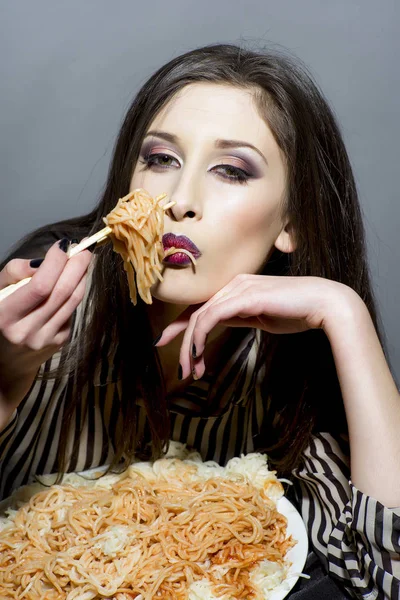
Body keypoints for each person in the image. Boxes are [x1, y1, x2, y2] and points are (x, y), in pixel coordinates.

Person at [0, 43, 399, 599]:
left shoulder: (287, 367)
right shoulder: (38, 316)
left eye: (231, 170)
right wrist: (5, 382)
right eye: (160, 159)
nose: (178, 200)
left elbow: (383, 574)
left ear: (293, 221)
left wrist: (345, 313)